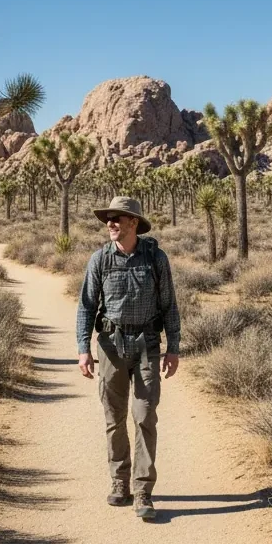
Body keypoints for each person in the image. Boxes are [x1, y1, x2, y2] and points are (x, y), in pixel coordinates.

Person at [76, 196, 180, 521]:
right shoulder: (100, 260)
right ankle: (120, 482)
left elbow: (169, 305)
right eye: (109, 219)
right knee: (114, 416)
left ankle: (143, 490)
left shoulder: (155, 258)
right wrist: (83, 348)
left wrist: (173, 347)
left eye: (118, 218)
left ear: (134, 222)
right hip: (110, 345)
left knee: (145, 414)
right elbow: (86, 305)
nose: (111, 224)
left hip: (147, 343)